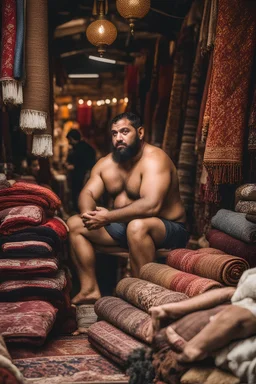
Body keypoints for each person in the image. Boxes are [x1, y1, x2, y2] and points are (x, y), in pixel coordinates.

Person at [67, 112, 189, 305]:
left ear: (140, 132)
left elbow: (151, 205)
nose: (119, 138)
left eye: (125, 132)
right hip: (126, 228)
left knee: (137, 226)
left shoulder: (155, 159)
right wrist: (88, 213)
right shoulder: (107, 163)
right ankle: (89, 289)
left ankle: (146, 294)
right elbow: (87, 193)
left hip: (168, 229)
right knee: (74, 224)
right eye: (114, 133)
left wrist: (107, 217)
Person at [66, 129, 96, 212]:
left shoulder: (82, 148)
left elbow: (84, 163)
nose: (69, 142)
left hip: (82, 174)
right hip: (81, 174)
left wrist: (74, 166)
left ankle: (79, 209)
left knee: (79, 192)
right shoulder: (81, 147)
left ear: (73, 138)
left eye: (70, 140)